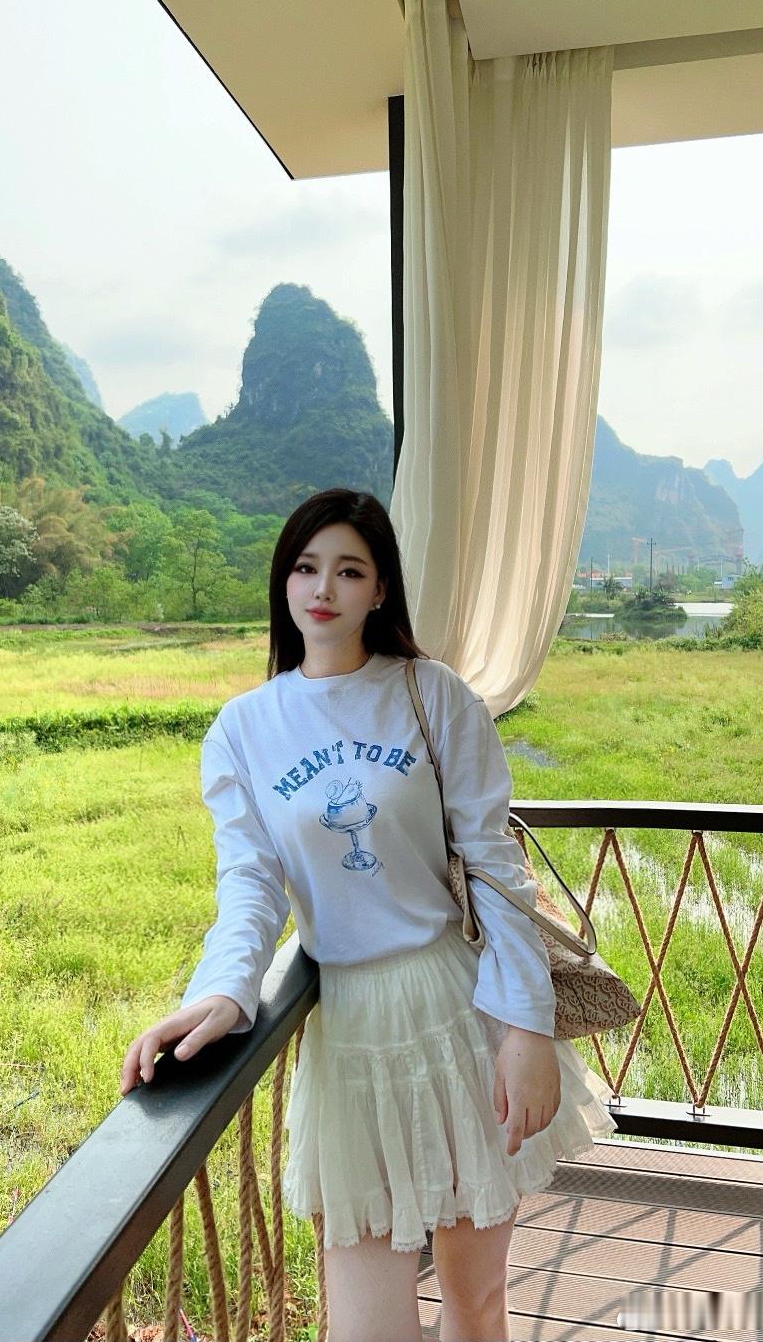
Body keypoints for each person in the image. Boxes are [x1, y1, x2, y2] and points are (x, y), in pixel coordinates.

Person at [120, 488, 616, 1342]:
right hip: (350, 1029)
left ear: (380, 589)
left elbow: (494, 866)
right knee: (365, 1327)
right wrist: (224, 993)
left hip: (460, 1009)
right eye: (306, 568)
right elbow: (250, 883)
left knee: (474, 1298)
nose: (324, 589)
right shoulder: (244, 729)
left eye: (349, 571)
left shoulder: (432, 693)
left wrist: (528, 1028)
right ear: (283, 582)